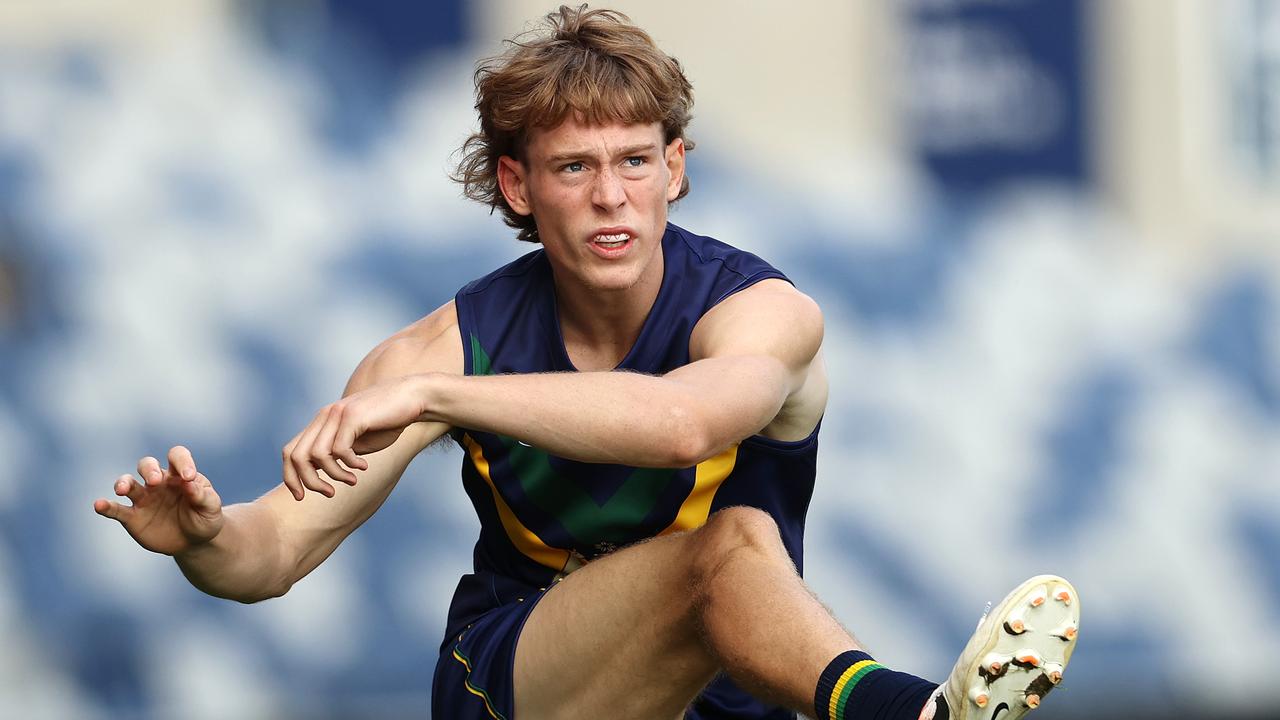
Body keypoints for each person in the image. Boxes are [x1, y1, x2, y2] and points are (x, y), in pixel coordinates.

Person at [93, 6, 1079, 720]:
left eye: (634, 162)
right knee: (725, 546)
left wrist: (437, 398)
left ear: (675, 170)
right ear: (518, 185)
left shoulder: (765, 315)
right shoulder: (439, 349)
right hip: (522, 687)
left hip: (725, 703)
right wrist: (203, 540)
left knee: (725, 554)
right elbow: (271, 556)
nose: (610, 196)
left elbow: (682, 425)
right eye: (573, 168)